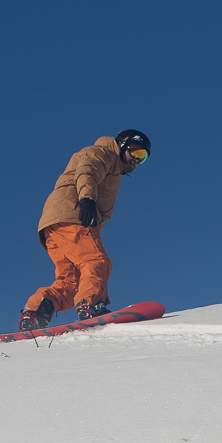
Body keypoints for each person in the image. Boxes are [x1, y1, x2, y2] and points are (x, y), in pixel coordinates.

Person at [19, 129, 151, 331]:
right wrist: (87, 199)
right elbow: (87, 170)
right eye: (135, 152)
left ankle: (36, 313)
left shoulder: (115, 169)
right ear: (122, 145)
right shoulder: (103, 152)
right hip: (72, 214)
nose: (136, 160)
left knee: (70, 282)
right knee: (96, 260)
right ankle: (92, 305)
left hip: (53, 223)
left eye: (142, 158)